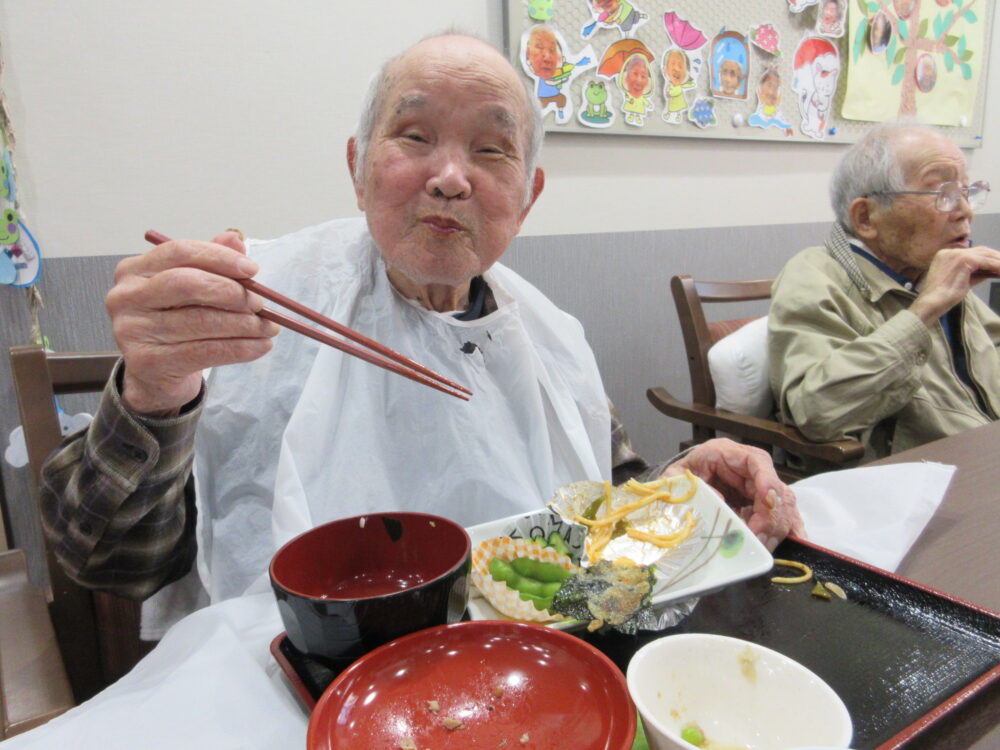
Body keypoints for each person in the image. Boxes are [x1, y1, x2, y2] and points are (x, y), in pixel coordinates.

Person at [41, 33, 803, 637]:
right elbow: (102, 558)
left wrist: (681, 488)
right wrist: (153, 394)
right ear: (357, 166)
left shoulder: (547, 332)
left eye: (491, 148)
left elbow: (601, 496)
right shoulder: (252, 302)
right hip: (294, 670)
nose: (450, 177)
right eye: (413, 136)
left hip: (520, 662)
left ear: (528, 195)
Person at [769, 123, 998, 462]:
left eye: (966, 192)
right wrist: (924, 311)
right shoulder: (814, 275)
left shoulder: (928, 268)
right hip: (927, 481)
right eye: (942, 195)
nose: (965, 211)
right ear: (866, 217)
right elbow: (817, 413)